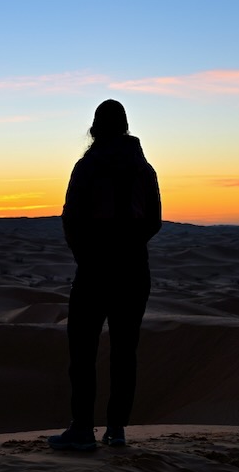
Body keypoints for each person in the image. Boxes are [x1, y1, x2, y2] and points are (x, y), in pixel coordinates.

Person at [48, 99, 162, 450]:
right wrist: (129, 245)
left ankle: (82, 429)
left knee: (82, 350)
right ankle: (116, 430)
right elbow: (154, 221)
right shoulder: (145, 170)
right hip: (133, 270)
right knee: (124, 351)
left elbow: (71, 217)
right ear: (125, 127)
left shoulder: (87, 166)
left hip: (95, 270)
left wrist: (87, 254)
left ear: (95, 128)